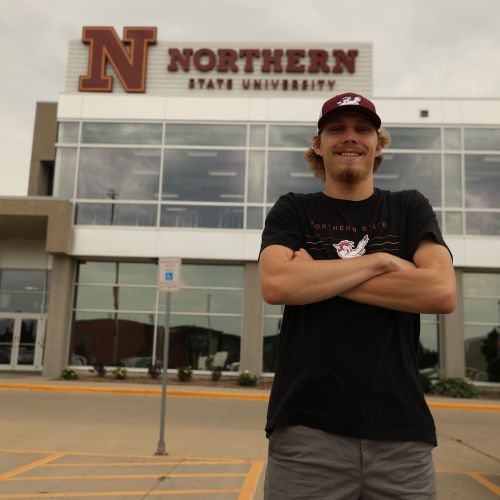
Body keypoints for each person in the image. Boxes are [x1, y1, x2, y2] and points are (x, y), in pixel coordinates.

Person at [259, 92, 456, 499]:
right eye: (336, 129)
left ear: (378, 143)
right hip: (306, 436)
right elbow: (277, 284)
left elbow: (440, 290)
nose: (350, 137)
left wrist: (315, 273)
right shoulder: (294, 210)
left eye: (362, 129)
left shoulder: (408, 207)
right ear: (318, 144)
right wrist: (383, 262)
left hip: (402, 440)